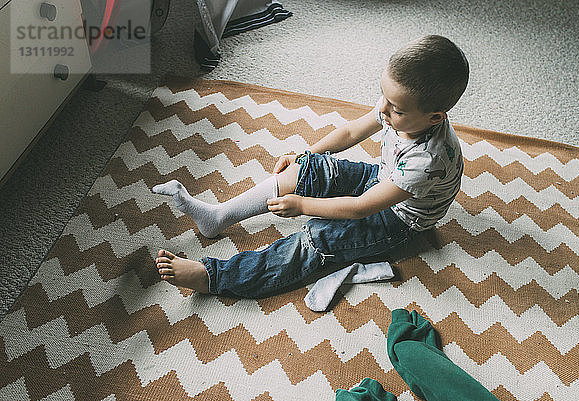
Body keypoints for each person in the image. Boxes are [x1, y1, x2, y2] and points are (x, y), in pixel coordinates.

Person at [152, 35, 469, 298]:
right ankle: (219, 216)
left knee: (316, 239)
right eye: (383, 96)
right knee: (308, 169)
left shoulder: (427, 161)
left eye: (395, 109)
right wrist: (306, 154)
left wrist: (303, 204)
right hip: (382, 178)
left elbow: (359, 208)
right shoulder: (398, 108)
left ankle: (213, 277)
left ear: (434, 118)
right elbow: (349, 132)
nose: (383, 109)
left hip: (397, 221)